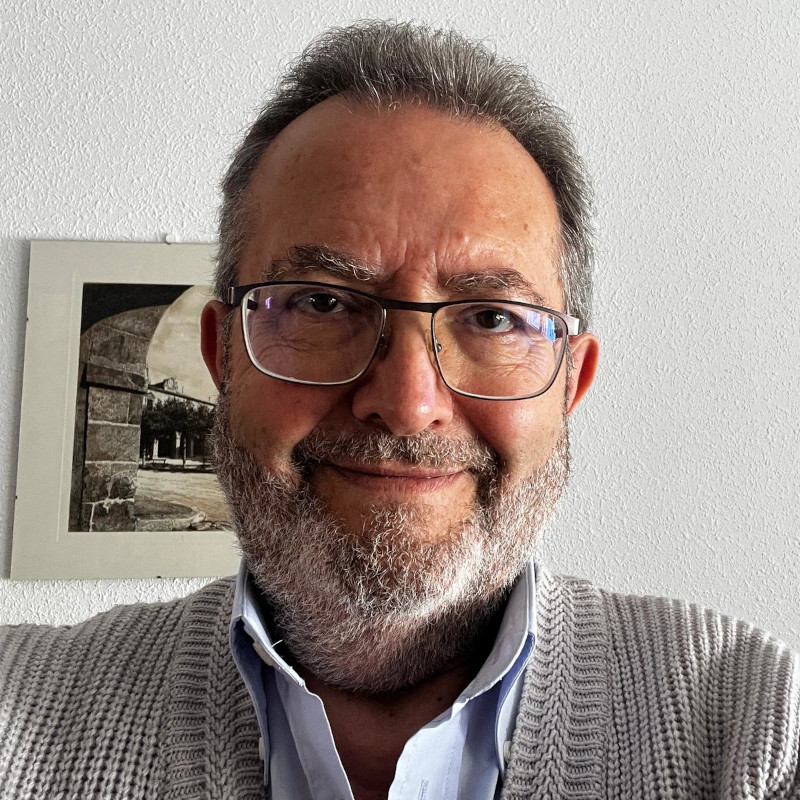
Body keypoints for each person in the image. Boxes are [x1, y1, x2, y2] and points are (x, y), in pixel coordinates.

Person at [1, 21, 798, 800]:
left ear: (570, 381)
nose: (409, 404)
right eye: (321, 302)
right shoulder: (16, 710)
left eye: (492, 317)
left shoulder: (749, 726)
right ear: (223, 356)